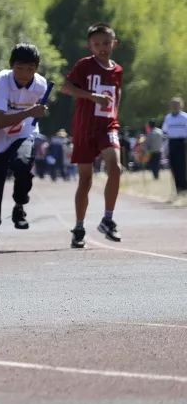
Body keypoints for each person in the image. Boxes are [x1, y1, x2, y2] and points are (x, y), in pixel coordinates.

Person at [0, 44, 50, 250]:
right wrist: (30, 112)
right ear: (11, 67)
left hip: (24, 134)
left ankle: (19, 205)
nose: (24, 74)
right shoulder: (1, 82)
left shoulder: (41, 86)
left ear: (36, 68)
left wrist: (40, 113)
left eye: (30, 69)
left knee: (23, 164)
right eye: (19, 68)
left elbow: (39, 112)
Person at [59, 23, 124, 248]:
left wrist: (115, 114)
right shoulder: (84, 66)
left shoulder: (118, 70)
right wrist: (91, 96)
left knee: (115, 168)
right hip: (85, 128)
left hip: (108, 127)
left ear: (114, 43)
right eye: (97, 44)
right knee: (85, 180)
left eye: (106, 43)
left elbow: (118, 93)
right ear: (90, 46)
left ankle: (107, 218)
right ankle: (79, 226)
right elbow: (65, 87)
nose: (102, 48)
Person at [162, 97, 187, 193]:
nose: (175, 106)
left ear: (181, 105)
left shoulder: (185, 117)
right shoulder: (168, 117)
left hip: (183, 143)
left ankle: (184, 187)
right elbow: (165, 131)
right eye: (173, 104)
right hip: (172, 142)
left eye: (177, 104)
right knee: (174, 166)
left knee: (183, 166)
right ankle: (178, 189)